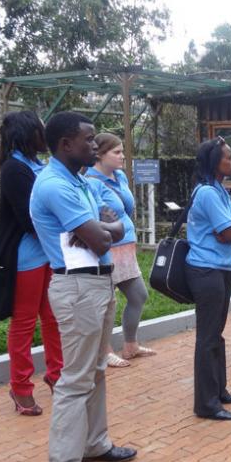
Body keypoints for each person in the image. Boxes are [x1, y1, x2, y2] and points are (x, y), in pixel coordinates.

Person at [30, 111, 135, 462]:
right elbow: (102, 236)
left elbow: (118, 224)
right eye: (89, 140)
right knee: (75, 380)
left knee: (96, 370)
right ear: (65, 144)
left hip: (97, 281)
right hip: (77, 287)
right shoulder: (55, 184)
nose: (96, 145)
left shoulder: (78, 181)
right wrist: (100, 229)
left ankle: (95, 443)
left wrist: (101, 229)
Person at [0, 111, 63, 416]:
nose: (45, 136)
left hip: (47, 255)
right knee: (25, 323)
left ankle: (57, 375)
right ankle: (20, 387)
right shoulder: (14, 169)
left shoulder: (38, 165)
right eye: (40, 131)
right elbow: (30, 218)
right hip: (25, 259)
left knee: (54, 318)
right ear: (27, 134)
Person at [186, 137, 231, 419]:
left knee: (216, 335)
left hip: (221, 267)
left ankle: (219, 390)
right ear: (214, 162)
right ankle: (206, 404)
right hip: (206, 270)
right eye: (228, 158)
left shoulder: (219, 189)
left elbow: (230, 228)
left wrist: (230, 226)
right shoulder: (207, 193)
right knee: (208, 337)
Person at [85, 133, 154, 368]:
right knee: (106, 301)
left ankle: (130, 345)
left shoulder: (120, 176)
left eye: (122, 151)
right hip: (108, 249)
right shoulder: (91, 182)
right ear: (100, 155)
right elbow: (96, 218)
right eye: (116, 152)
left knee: (138, 295)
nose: (122, 156)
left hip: (127, 246)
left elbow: (125, 209)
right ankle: (104, 351)